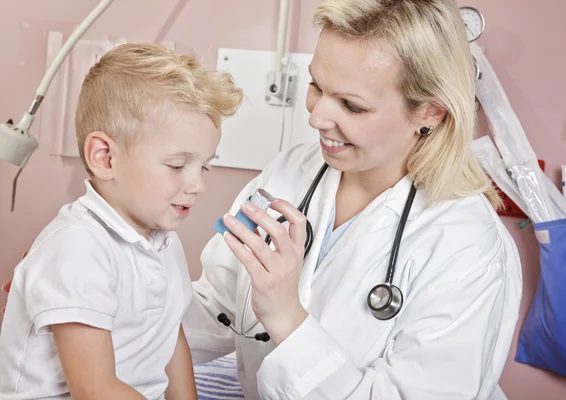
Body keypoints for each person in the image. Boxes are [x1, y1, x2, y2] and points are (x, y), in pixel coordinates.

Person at [182, 0, 522, 399]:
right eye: (316, 87)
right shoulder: (293, 172)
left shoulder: (465, 243)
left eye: (351, 105)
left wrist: (285, 316)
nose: (317, 118)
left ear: (430, 112)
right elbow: (219, 307)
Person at [0, 43, 242, 399]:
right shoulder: (78, 249)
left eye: (203, 166)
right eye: (177, 166)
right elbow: (94, 390)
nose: (198, 185)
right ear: (105, 158)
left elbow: (168, 337)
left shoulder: (163, 241)